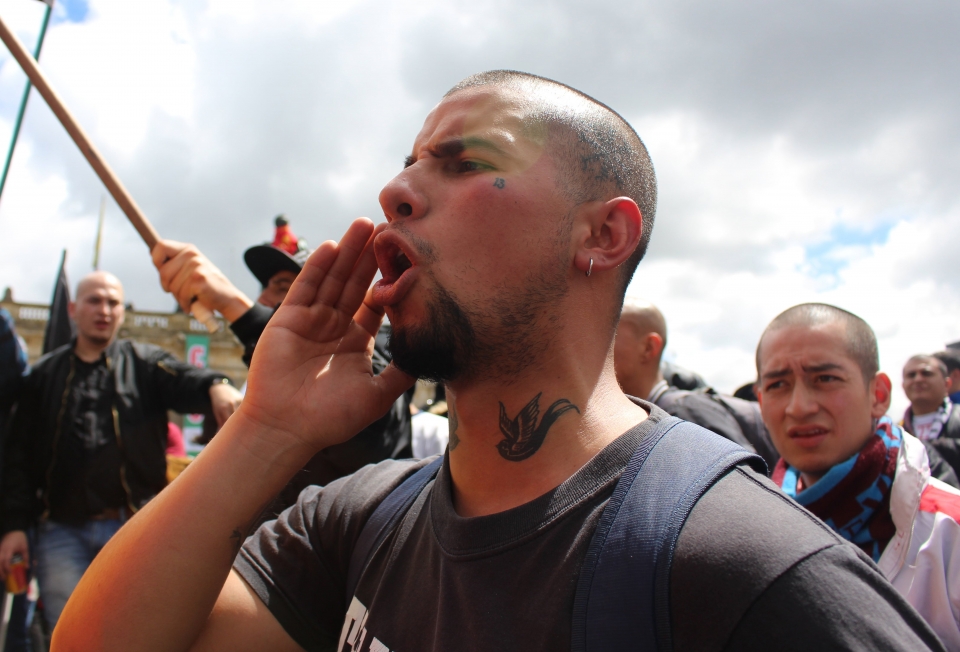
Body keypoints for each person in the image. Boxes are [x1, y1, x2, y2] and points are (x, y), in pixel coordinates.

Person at [57, 71, 943, 651]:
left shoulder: (745, 571)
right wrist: (266, 429)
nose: (395, 192)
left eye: (462, 162)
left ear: (603, 233)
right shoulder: (360, 519)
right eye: (407, 166)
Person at [0, 271, 243, 630]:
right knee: (68, 633)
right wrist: (14, 525)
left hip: (133, 528)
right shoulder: (45, 374)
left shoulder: (145, 362)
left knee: (137, 632)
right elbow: (17, 457)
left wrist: (217, 384)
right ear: (73, 308)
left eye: (113, 302)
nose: (104, 309)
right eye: (94, 300)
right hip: (60, 533)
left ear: (122, 312)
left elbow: (186, 377)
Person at [151, 217, 412, 502]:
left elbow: (373, 439)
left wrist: (237, 308)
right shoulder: (263, 380)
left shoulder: (370, 357)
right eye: (264, 287)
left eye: (281, 285)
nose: (262, 298)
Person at [756, 303, 960, 648]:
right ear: (760, 402)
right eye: (778, 384)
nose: (799, 406)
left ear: (878, 395)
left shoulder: (948, 531)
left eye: (825, 379)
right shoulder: (751, 530)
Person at [614, 298, 779, 468]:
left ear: (649, 347)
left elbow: (746, 484)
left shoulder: (685, 413)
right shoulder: (652, 418)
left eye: (608, 334)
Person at [902, 354, 960, 478]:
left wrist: (930, 447)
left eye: (926, 373)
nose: (918, 379)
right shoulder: (897, 432)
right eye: (911, 375)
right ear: (903, 386)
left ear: (947, 384)